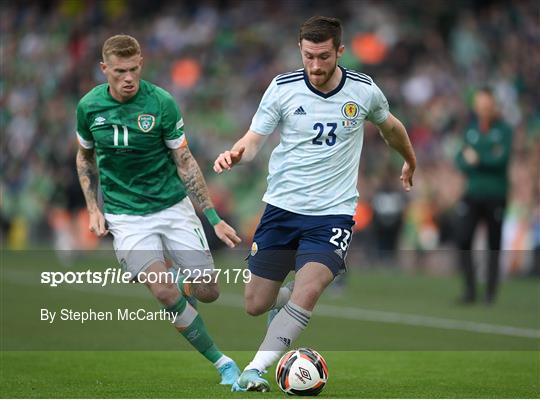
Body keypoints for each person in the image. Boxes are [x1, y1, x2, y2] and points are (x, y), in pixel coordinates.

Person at [214, 16, 417, 392]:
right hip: (282, 209)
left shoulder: (363, 91)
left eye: (324, 56)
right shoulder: (282, 88)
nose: (316, 66)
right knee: (256, 304)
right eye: (309, 56)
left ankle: (254, 369)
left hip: (333, 214)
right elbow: (254, 140)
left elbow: (392, 128)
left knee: (309, 289)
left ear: (340, 51)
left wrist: (410, 159)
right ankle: (285, 306)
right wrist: (235, 155)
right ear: (300, 51)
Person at [75, 34, 242, 384]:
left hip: (172, 207)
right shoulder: (89, 107)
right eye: (120, 71)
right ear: (104, 68)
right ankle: (223, 364)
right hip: (125, 216)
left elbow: (184, 160)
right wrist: (93, 209)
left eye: (134, 69)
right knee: (164, 292)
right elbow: (84, 158)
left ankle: (184, 282)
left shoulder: (161, 103)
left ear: (141, 65)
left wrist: (213, 218)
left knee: (209, 292)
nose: (128, 78)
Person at [454, 87, 512, 304]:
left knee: (493, 243)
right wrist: (477, 160)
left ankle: (490, 293)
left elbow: (500, 160)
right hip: (473, 193)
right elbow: (460, 159)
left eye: (487, 104)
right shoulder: (471, 129)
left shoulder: (504, 130)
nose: (483, 109)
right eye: (480, 104)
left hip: (495, 194)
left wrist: (477, 159)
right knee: (463, 237)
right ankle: (470, 290)